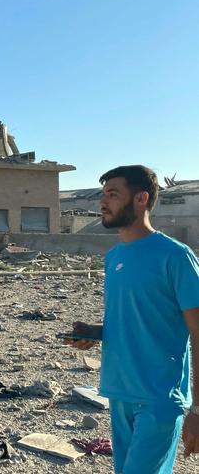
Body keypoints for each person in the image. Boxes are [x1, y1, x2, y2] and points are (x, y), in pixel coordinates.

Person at [64, 165, 199, 474]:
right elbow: (134, 322)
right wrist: (94, 333)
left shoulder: (175, 257)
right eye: (102, 195)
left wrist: (198, 410)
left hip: (160, 398)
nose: (103, 202)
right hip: (120, 392)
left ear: (141, 199)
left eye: (113, 194)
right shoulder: (114, 258)